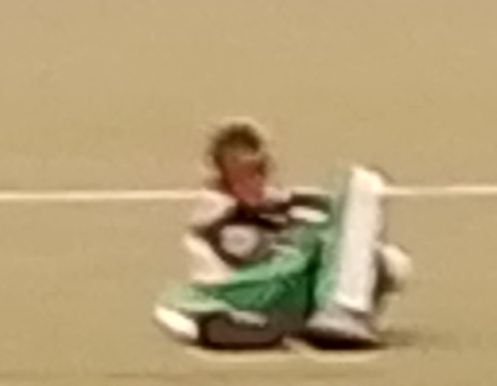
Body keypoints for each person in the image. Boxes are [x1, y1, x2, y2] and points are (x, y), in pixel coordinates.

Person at [157, 117, 405, 353]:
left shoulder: (269, 204)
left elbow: (308, 206)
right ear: (222, 175)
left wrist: (291, 208)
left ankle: (265, 323)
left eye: (256, 173)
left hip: (270, 295)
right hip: (244, 288)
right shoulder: (216, 210)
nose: (252, 183)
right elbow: (257, 254)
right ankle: (342, 311)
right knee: (360, 184)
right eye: (240, 175)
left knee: (388, 260)